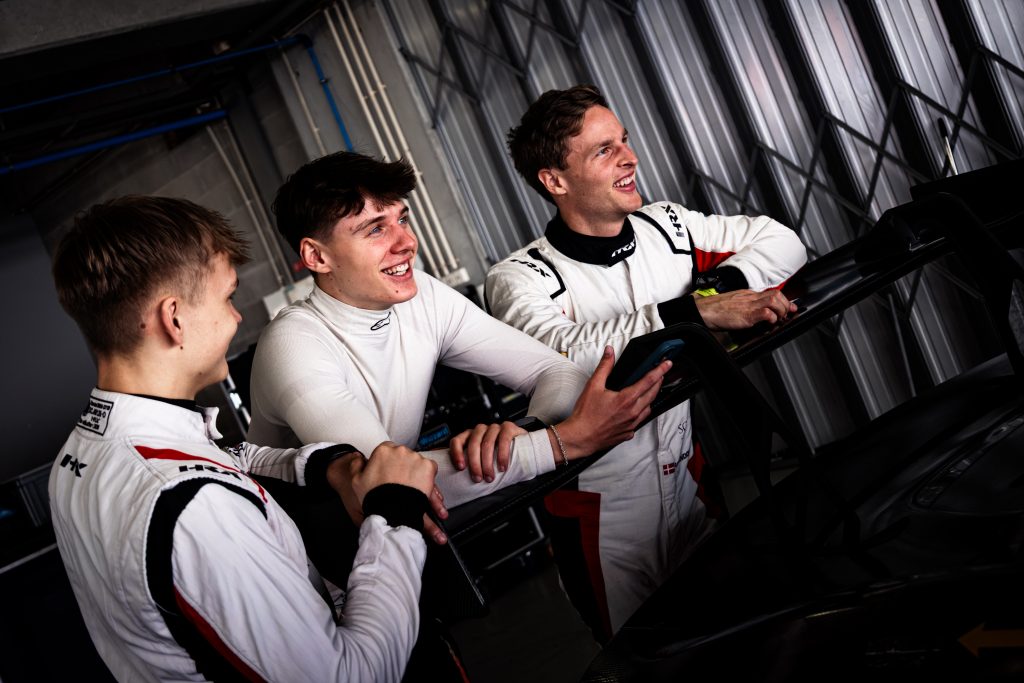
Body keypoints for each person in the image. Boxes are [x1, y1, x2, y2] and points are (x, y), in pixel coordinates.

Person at [49, 196, 440, 682]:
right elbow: (350, 676)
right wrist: (396, 512)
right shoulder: (197, 509)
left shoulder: (83, 451)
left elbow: (222, 458)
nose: (236, 318)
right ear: (174, 319)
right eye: (227, 298)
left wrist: (326, 466)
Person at [485, 84, 808, 638]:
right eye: (604, 150)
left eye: (624, 140)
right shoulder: (519, 277)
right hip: (601, 516)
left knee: (744, 634)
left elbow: (782, 240)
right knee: (644, 658)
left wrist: (720, 289)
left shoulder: (667, 226)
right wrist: (693, 313)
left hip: (689, 483)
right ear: (555, 181)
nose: (630, 157)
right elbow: (560, 353)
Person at [246, 151, 670, 520]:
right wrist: (563, 442)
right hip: (303, 569)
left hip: (391, 543)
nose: (407, 242)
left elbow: (556, 371)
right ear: (316, 256)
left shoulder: (423, 296)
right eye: (375, 229)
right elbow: (387, 483)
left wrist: (523, 431)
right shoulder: (293, 344)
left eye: (402, 219)